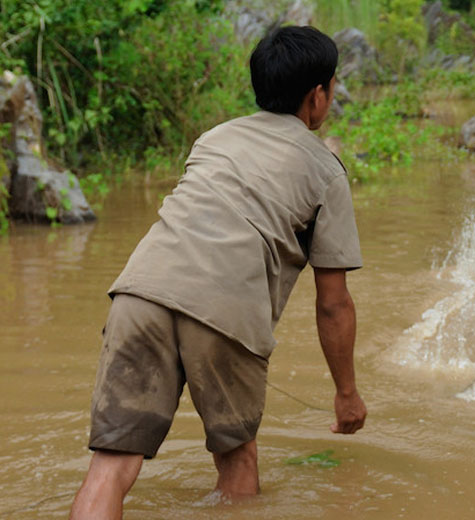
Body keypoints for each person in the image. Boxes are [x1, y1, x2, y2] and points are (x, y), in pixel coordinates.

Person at [69, 26, 366, 519]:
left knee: (111, 464)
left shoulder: (214, 138)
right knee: (237, 458)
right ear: (318, 95)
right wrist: (347, 394)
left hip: (139, 293)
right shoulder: (326, 171)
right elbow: (333, 303)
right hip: (225, 308)